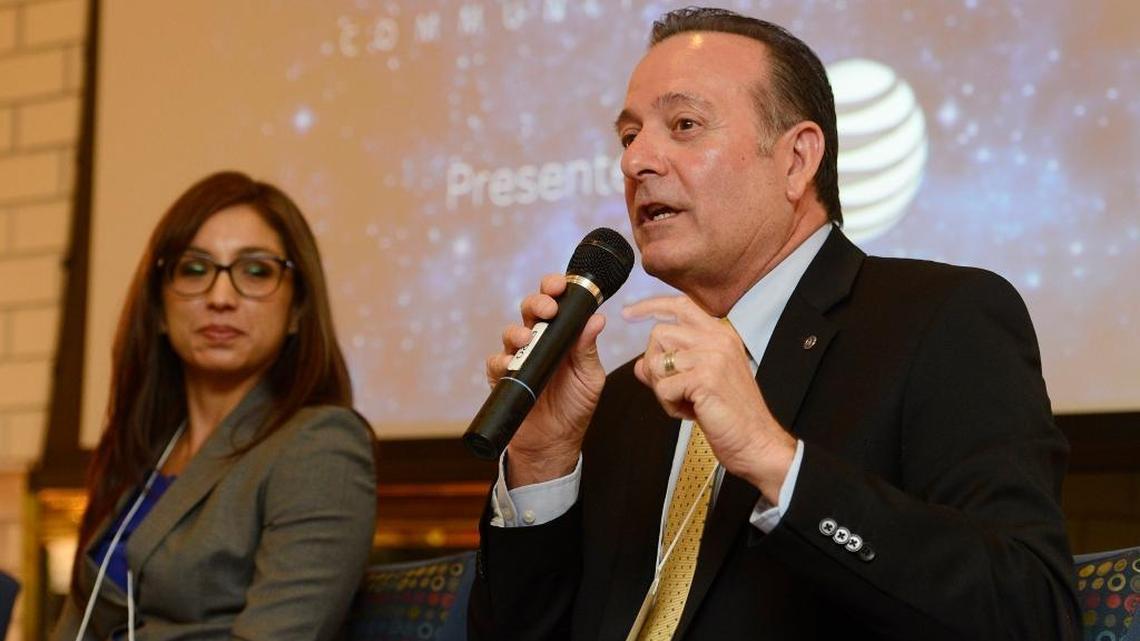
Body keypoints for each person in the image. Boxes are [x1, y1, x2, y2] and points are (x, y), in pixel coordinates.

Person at [469, 7, 1079, 640]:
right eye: (629, 137)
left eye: (684, 125)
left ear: (797, 159)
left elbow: (1029, 611)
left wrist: (774, 459)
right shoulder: (629, 398)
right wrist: (542, 463)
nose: (636, 161)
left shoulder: (942, 321)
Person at [52, 171, 377, 641]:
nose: (220, 298)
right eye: (195, 269)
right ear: (160, 308)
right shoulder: (143, 452)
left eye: (257, 270)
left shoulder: (320, 445)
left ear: (297, 311)